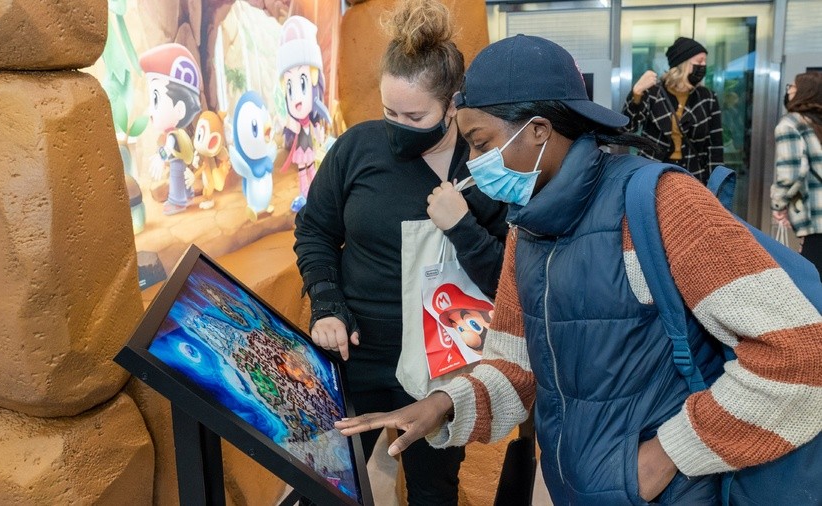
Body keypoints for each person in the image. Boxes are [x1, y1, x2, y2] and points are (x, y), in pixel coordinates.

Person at [336, 34, 822, 505]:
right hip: (578, 486)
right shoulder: (525, 228)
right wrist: (445, 404)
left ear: (540, 131)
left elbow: (801, 356)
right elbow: (515, 364)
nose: (477, 166)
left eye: (482, 145)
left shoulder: (658, 204)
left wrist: (667, 455)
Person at [292, 0, 508, 503]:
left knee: (434, 491)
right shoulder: (356, 149)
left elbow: (509, 278)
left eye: (414, 115)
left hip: (442, 370)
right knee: (321, 480)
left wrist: (463, 227)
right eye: (389, 111)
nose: (397, 126)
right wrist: (327, 303)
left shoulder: (487, 168)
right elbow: (315, 231)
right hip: (357, 356)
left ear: (453, 104)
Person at [623, 37, 723, 184]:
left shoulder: (707, 97)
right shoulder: (653, 92)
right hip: (653, 173)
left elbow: (715, 146)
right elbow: (627, 127)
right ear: (682, 63)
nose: (704, 66)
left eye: (705, 62)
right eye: (700, 61)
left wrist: (716, 184)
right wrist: (637, 92)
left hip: (693, 175)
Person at [771, 72, 822, 276]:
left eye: (792, 86)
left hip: (816, 219)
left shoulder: (791, 124)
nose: (789, 90)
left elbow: (790, 173)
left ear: (804, 92)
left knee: (813, 282)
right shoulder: (817, 124)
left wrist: (779, 204)